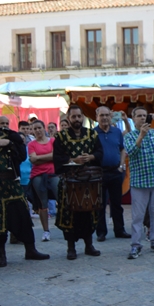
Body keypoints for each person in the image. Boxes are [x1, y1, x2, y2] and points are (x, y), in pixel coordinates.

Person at [0, 104, 49, 267]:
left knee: (23, 215)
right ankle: (1, 254)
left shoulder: (7, 133)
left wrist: (8, 143)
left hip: (11, 182)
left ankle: (30, 249)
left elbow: (20, 149)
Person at [53, 105, 103, 260]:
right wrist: (72, 160)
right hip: (69, 183)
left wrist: (91, 157)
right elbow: (57, 158)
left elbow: (100, 152)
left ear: (83, 118)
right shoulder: (61, 137)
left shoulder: (91, 134)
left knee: (89, 214)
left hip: (88, 182)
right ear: (68, 118)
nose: (76, 120)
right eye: (73, 117)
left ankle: (89, 245)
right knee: (70, 216)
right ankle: (71, 248)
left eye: (79, 116)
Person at [125, 107, 154, 259]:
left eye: (144, 116)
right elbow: (131, 152)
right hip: (139, 182)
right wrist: (141, 136)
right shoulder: (129, 136)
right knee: (138, 216)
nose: (142, 118)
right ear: (133, 118)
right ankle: (136, 245)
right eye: (139, 116)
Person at [94, 106, 130, 242]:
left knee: (116, 203)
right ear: (97, 117)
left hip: (116, 171)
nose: (104, 118)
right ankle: (101, 232)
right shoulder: (92, 133)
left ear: (110, 116)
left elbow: (122, 149)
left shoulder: (117, 132)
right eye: (101, 115)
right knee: (100, 204)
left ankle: (119, 230)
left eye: (106, 115)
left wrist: (121, 165)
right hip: (100, 172)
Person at [28, 120, 58, 242]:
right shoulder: (31, 144)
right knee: (42, 204)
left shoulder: (52, 141)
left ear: (43, 128)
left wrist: (40, 158)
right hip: (38, 176)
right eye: (35, 129)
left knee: (60, 198)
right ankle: (46, 231)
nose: (38, 130)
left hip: (53, 174)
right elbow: (33, 160)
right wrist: (48, 157)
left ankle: (66, 226)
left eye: (39, 128)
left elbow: (56, 155)